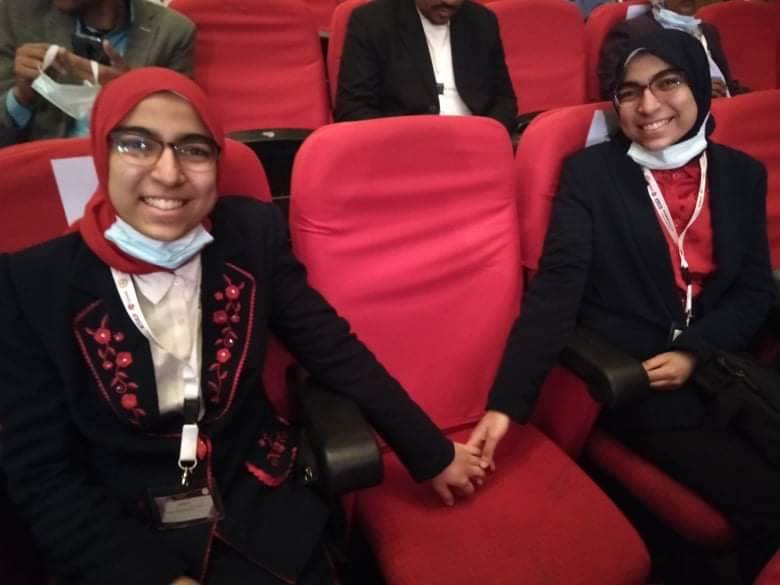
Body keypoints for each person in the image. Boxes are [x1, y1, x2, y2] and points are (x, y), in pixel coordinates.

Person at [0, 67, 485, 585]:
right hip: (122, 534)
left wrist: (431, 453)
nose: (168, 173)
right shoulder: (31, 284)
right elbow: (43, 472)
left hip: (262, 505)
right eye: (137, 145)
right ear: (103, 153)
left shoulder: (251, 235)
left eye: (193, 149)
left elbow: (334, 351)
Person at [468, 29, 780, 583]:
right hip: (638, 376)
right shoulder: (592, 176)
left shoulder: (741, 174)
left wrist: (696, 352)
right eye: (629, 92)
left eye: (668, 83)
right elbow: (554, 295)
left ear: (698, 85)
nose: (649, 105)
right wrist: (505, 405)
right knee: (765, 501)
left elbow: (755, 289)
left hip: (719, 360)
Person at [0, 0, 195, 147]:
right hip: (42, 172)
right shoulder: (17, 14)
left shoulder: (172, 33)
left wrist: (132, 94)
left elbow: (181, 134)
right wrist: (21, 97)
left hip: (128, 171)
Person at [334, 0, 518, 134]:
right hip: (402, 150)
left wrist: (487, 135)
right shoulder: (371, 22)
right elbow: (352, 109)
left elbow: (504, 100)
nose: (450, 2)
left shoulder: (483, 21)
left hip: (476, 144)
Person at [598, 0, 741, 101]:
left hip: (726, 114)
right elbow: (616, 93)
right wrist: (692, 92)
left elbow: (729, 85)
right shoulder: (632, 32)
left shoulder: (708, 31)